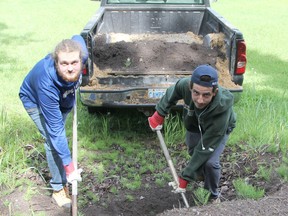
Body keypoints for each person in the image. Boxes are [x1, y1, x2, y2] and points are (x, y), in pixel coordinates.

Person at [148, 64, 236, 202]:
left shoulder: (222, 110)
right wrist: (160, 113)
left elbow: (206, 148)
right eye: (196, 93)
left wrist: (185, 176)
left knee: (210, 163)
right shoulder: (184, 85)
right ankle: (199, 173)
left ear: (215, 92)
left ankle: (212, 196)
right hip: (194, 124)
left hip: (217, 130)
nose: (200, 100)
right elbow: (173, 91)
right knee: (194, 152)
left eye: (206, 95)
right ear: (190, 87)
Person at [19, 35, 88, 208]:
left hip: (64, 95)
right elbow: (55, 130)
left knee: (59, 138)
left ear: (81, 59)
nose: (71, 68)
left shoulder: (82, 53)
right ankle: (58, 188)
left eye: (74, 62)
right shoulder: (46, 83)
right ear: (56, 63)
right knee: (52, 140)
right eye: (64, 64)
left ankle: (63, 175)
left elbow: (77, 37)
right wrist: (70, 168)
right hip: (34, 99)